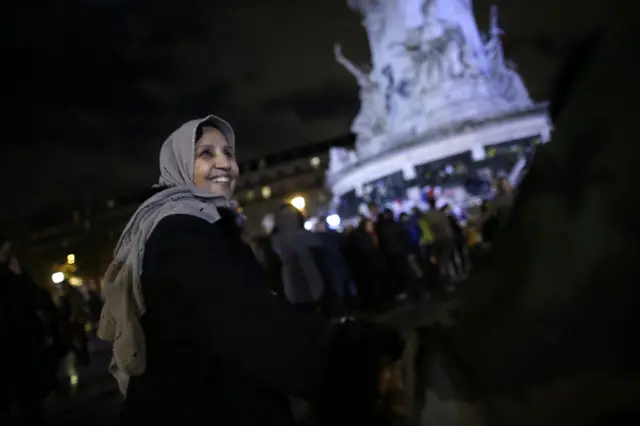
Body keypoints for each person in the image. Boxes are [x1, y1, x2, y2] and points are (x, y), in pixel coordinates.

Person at [97, 115, 405, 426]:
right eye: (206, 154)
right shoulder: (178, 230)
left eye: (227, 153)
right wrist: (351, 363)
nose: (224, 164)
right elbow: (240, 317)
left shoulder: (191, 227)